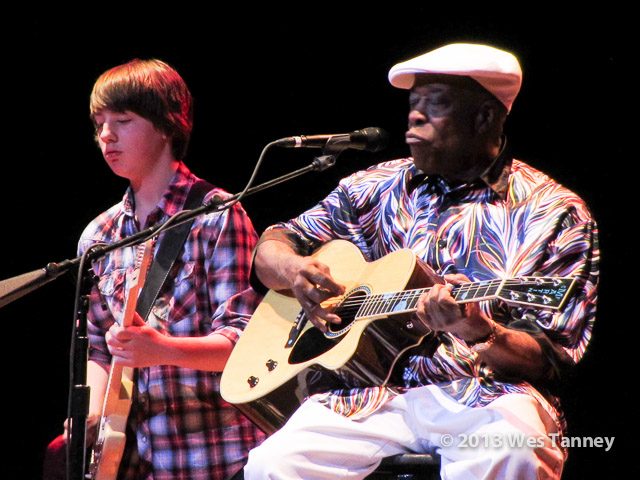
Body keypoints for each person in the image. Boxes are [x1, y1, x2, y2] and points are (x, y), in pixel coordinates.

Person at [243, 43, 599, 479]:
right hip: (368, 393)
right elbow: (274, 244)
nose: (415, 115)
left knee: (514, 451)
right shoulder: (372, 187)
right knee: (273, 463)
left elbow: (551, 359)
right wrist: (294, 269)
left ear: (484, 116)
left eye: (437, 103)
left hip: (486, 394)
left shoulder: (554, 212)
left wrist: (478, 330)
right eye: (414, 103)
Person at [44, 58, 264, 479]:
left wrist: (162, 349)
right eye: (99, 123)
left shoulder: (217, 216)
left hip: (214, 457)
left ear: (167, 125)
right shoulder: (99, 235)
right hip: (133, 461)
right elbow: (97, 346)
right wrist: (91, 415)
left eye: (123, 121)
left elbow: (245, 343)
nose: (106, 135)